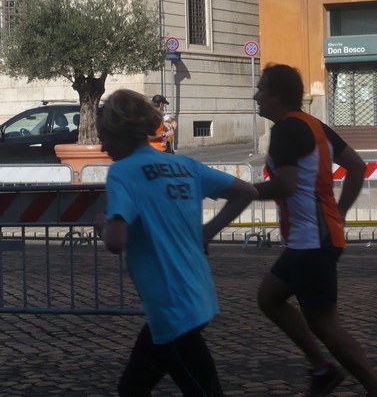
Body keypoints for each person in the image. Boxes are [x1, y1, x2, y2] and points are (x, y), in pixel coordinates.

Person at [94, 89, 258, 396]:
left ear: (121, 132)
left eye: (106, 138)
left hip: (170, 306)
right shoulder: (185, 166)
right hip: (196, 295)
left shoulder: (122, 173)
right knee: (131, 388)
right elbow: (247, 191)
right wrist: (208, 231)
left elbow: (115, 242)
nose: (103, 147)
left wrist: (104, 223)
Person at [252, 64, 377, 397]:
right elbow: (357, 166)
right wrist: (339, 212)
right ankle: (322, 368)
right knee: (269, 298)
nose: (255, 95)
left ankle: (376, 389)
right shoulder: (313, 124)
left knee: (325, 324)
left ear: (276, 95)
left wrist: (242, 191)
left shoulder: (287, 130)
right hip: (313, 237)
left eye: (261, 88)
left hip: (312, 242)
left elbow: (285, 185)